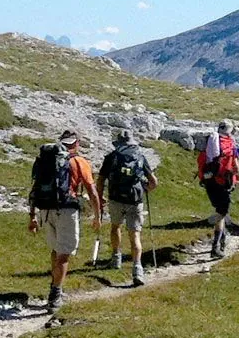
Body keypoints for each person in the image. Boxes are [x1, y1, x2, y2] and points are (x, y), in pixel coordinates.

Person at [28, 130, 101, 311]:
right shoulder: (79, 162)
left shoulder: (46, 160)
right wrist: (98, 216)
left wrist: (32, 216)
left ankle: (55, 286)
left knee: (55, 250)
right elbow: (92, 192)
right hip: (67, 210)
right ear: (75, 144)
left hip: (45, 210)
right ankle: (55, 295)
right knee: (64, 254)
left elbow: (34, 189)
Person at [98, 129, 158, 286]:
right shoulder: (139, 156)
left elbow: (100, 179)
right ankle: (137, 268)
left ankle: (116, 258)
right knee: (135, 234)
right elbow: (154, 182)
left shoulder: (111, 157)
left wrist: (99, 197)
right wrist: (145, 189)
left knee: (115, 226)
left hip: (115, 198)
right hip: (135, 200)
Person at [197, 119, 239, 259]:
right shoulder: (230, 145)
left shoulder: (211, 142)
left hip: (209, 180)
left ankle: (222, 241)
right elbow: (236, 168)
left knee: (219, 209)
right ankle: (215, 246)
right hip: (223, 182)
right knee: (221, 213)